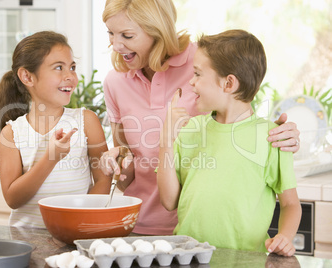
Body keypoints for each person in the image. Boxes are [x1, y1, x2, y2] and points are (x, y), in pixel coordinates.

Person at [99, 0, 301, 236]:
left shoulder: (204, 60)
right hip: (139, 225)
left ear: (158, 30)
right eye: (111, 34)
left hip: (201, 231)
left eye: (127, 35)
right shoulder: (114, 82)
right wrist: (118, 160)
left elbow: (239, 109)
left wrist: (281, 136)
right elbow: (126, 168)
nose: (115, 44)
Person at [157, 29, 302, 256]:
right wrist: (165, 142)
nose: (191, 82)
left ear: (229, 83)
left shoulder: (272, 137)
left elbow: (290, 204)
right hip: (188, 256)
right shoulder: (189, 130)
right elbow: (168, 201)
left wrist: (284, 236)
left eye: (197, 74)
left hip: (245, 260)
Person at [0, 31, 111, 228]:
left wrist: (78, 222)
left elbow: (104, 179)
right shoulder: (11, 134)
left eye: (72, 67)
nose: (70, 76)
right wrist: (50, 158)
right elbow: (13, 198)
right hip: (28, 241)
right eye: (59, 68)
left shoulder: (86, 121)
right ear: (27, 76)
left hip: (76, 234)